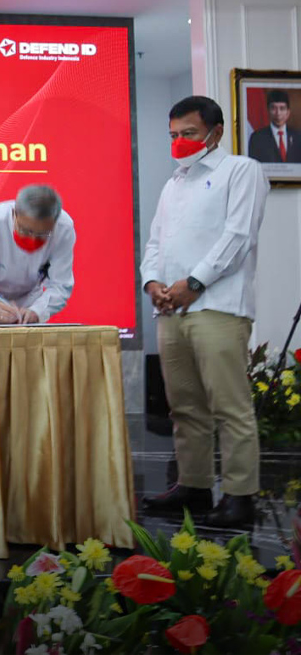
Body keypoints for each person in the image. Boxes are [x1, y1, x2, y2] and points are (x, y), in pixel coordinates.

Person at [141, 95, 269, 528]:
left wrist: (193, 284)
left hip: (218, 306)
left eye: (189, 133)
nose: (179, 142)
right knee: (184, 407)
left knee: (230, 406)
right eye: (174, 135)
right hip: (171, 310)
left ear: (215, 132)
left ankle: (239, 496)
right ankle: (193, 487)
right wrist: (153, 283)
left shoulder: (242, 170)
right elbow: (155, 242)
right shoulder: (174, 183)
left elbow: (238, 236)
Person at [0, 185, 75, 325]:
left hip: (27, 305)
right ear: (14, 214)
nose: (32, 240)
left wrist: (37, 311)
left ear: (54, 223)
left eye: (42, 234)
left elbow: (60, 285)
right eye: (26, 231)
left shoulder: (64, 227)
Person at [247, 89, 301, 164]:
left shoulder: (298, 136)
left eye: (282, 108)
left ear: (288, 112)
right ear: (268, 111)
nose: (278, 113)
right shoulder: (257, 138)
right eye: (273, 108)